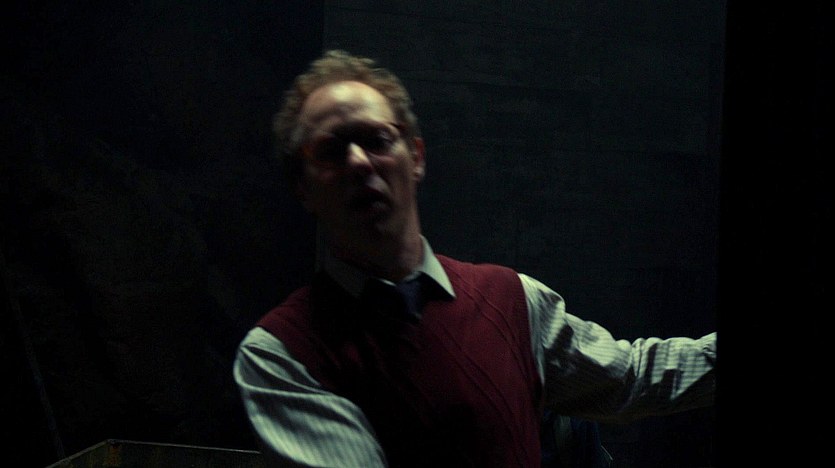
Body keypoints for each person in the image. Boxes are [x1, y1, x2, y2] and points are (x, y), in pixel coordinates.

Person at [233, 49, 716, 467]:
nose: (359, 162)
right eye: (332, 150)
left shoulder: (512, 300)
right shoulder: (281, 353)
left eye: (376, 140)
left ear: (416, 157)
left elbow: (631, 376)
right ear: (302, 187)